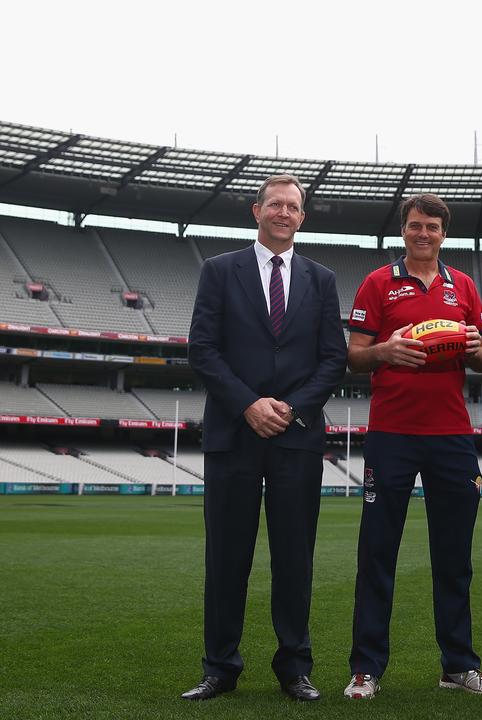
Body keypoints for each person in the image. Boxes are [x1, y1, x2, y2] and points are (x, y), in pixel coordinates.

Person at [183, 174, 347, 702]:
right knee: (226, 556)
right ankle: (220, 667)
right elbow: (202, 349)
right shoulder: (219, 271)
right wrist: (248, 403)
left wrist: (291, 409)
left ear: (303, 217)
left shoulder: (321, 279)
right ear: (256, 211)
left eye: (292, 206)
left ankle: (294, 667)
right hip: (234, 433)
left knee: (295, 558)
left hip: (296, 438)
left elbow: (333, 358)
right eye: (273, 204)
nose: (282, 212)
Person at [342, 193, 482, 699]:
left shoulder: (465, 287)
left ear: (442, 233)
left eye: (431, 226)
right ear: (403, 231)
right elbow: (353, 355)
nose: (423, 233)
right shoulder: (377, 283)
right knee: (378, 553)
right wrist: (386, 350)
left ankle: (458, 666)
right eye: (415, 225)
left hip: (452, 435)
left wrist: (477, 346)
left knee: (454, 556)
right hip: (391, 433)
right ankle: (366, 668)